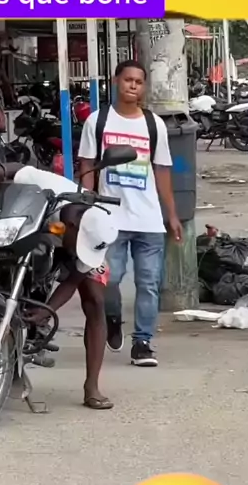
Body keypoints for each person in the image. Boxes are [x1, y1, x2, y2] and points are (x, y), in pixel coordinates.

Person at [0, 162, 119, 409]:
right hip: (33, 236)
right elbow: (15, 169)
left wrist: (48, 310)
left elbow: (73, 280)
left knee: (95, 301)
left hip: (63, 246)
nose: (81, 253)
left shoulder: (100, 230)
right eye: (80, 246)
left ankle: (92, 387)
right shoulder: (49, 185)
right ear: (73, 226)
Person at [78, 59, 182, 368]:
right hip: (110, 218)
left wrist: (171, 214)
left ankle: (142, 343)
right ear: (116, 81)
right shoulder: (98, 121)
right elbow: (87, 165)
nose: (133, 85)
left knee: (148, 284)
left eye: (139, 81)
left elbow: (162, 171)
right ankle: (112, 319)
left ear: (143, 86)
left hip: (148, 220)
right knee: (109, 280)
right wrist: (86, 206)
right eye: (128, 80)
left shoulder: (153, 125)